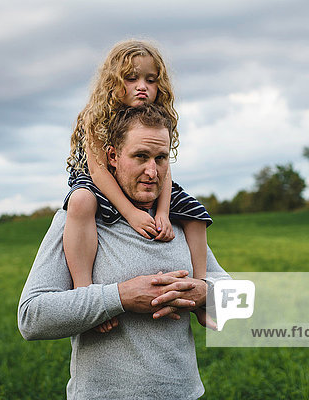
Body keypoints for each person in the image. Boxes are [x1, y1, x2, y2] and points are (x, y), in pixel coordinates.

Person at [18, 104, 229, 399]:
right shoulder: (79, 220)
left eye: (161, 158)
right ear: (113, 157)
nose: (152, 171)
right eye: (140, 156)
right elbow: (32, 317)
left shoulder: (178, 222)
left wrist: (202, 293)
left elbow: (243, 303)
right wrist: (121, 296)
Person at [63, 40, 213, 332]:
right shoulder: (95, 116)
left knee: (196, 213)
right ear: (114, 82)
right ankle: (85, 293)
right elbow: (99, 171)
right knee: (81, 201)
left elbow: (163, 170)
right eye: (131, 79)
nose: (141, 86)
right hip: (96, 181)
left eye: (150, 79)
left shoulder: (156, 118)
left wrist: (163, 212)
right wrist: (131, 214)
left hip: (145, 186)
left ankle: (201, 289)